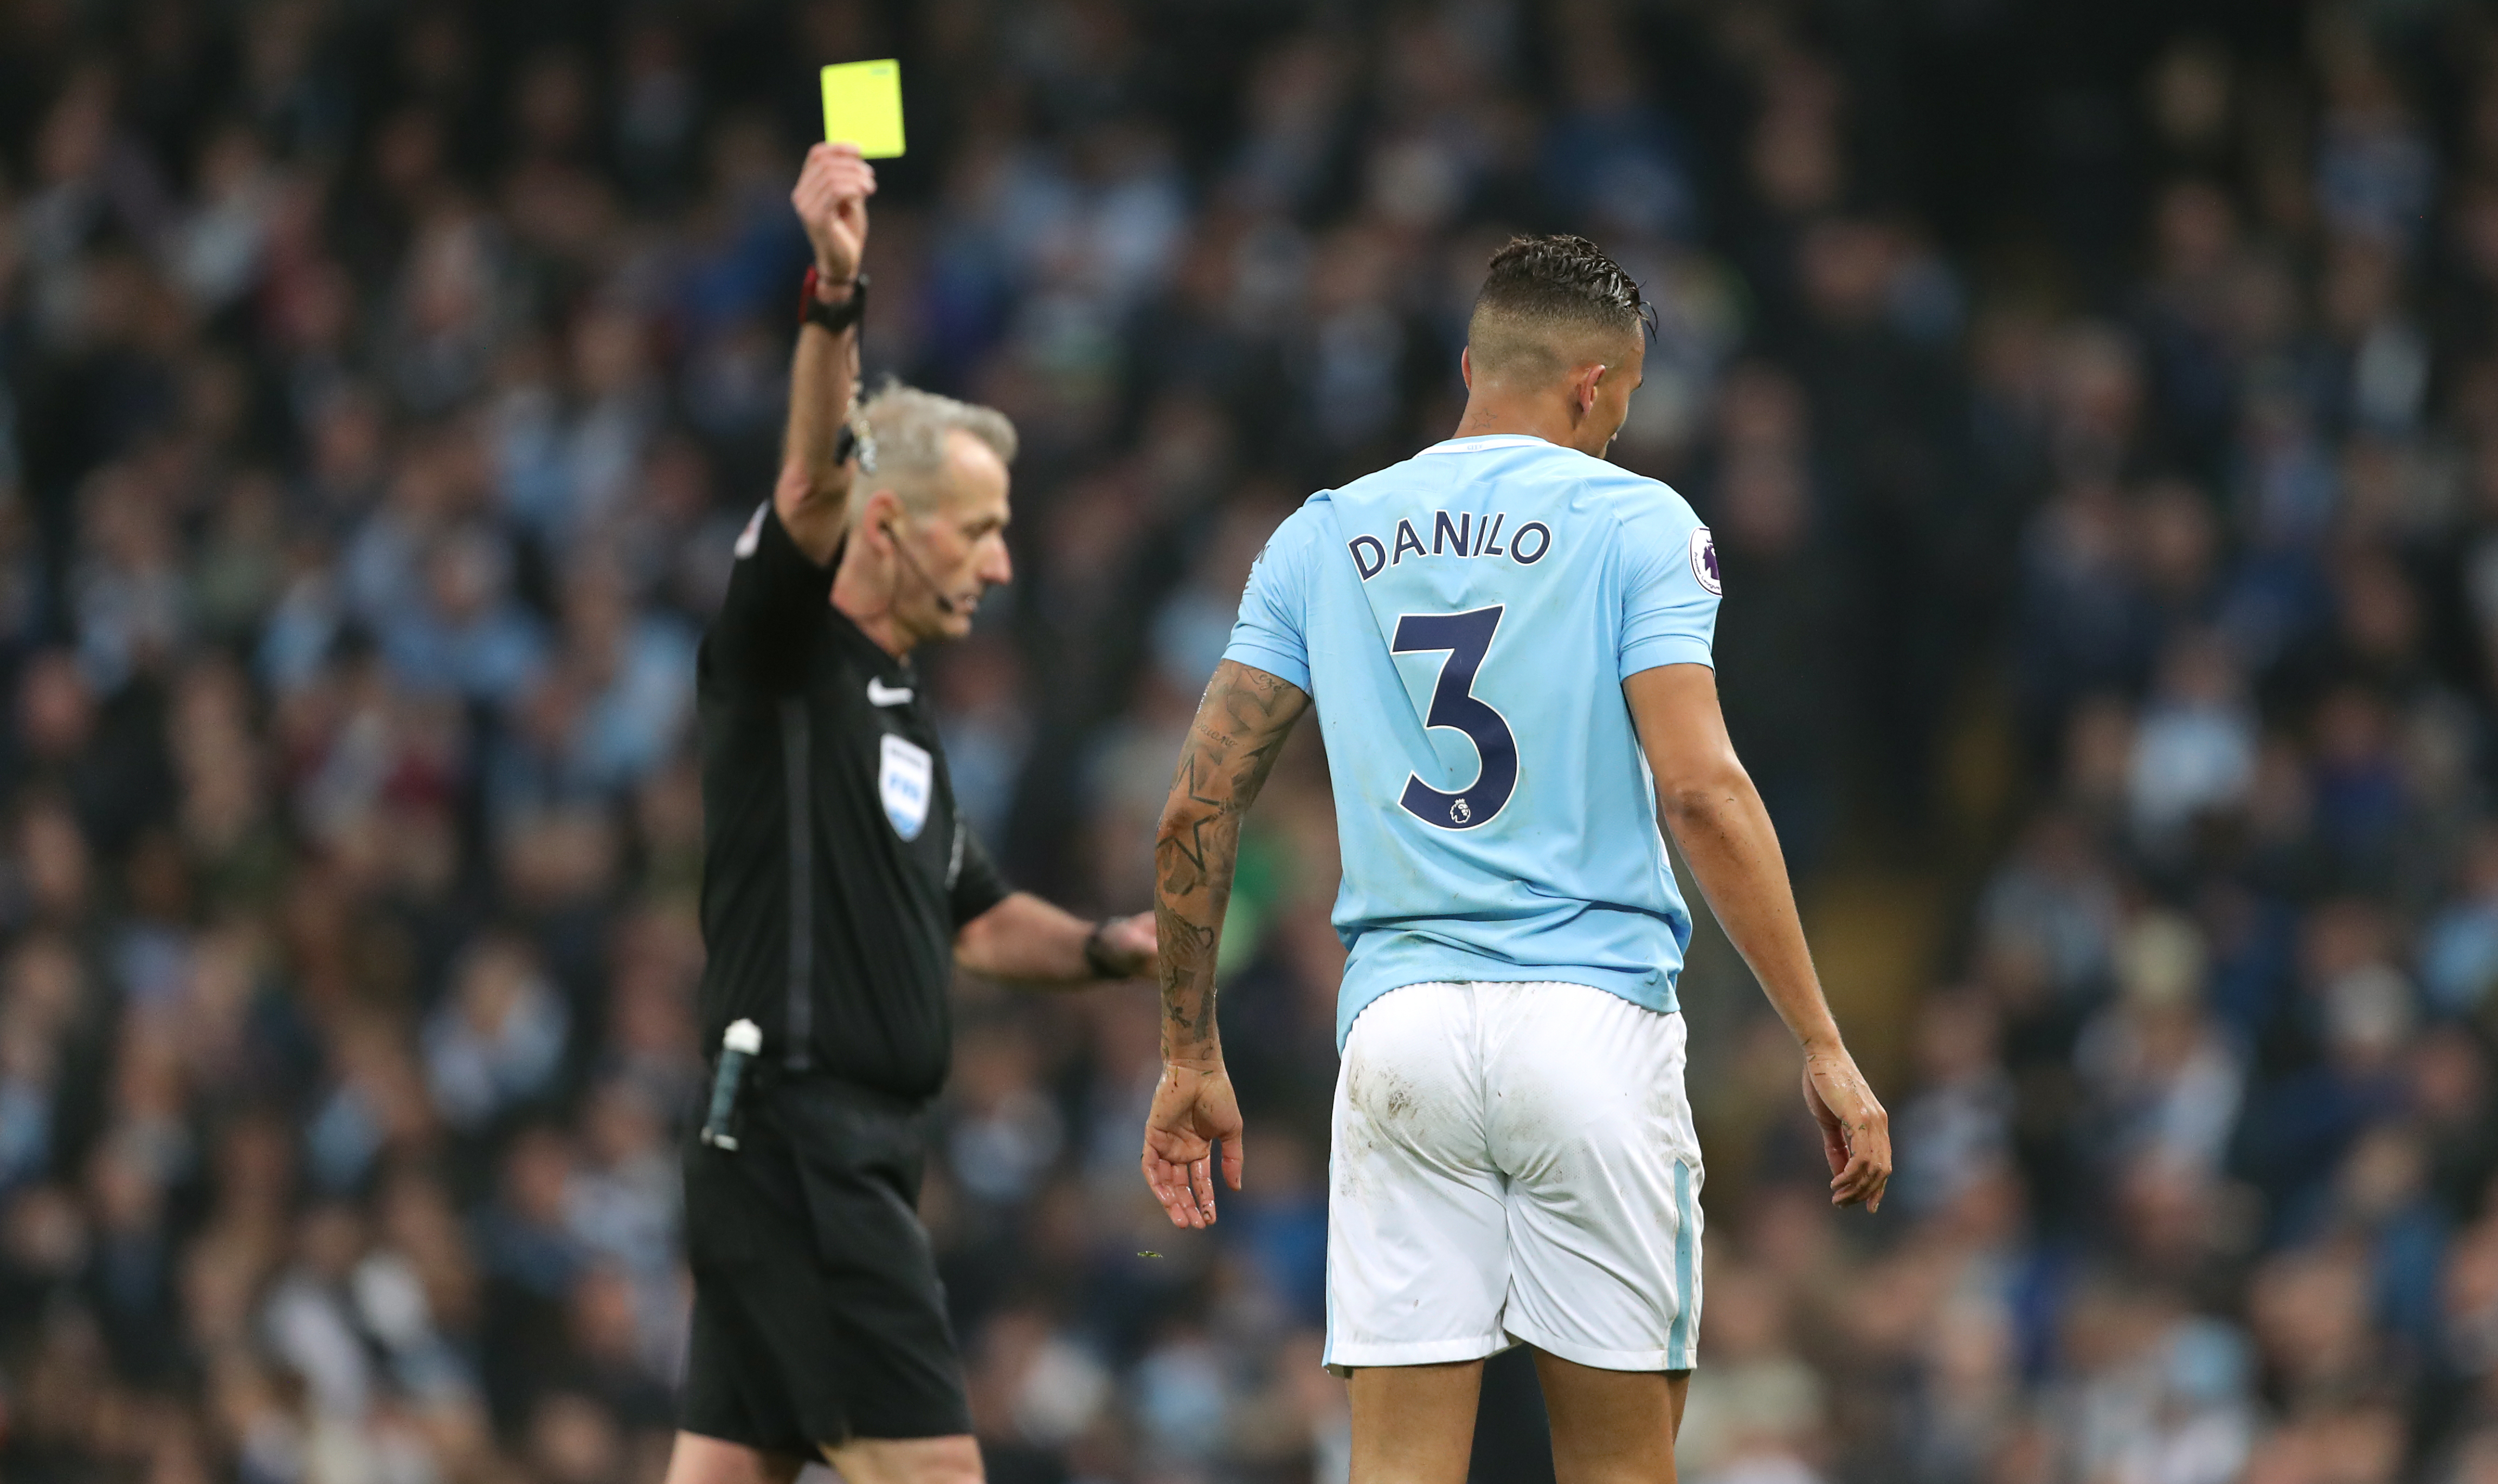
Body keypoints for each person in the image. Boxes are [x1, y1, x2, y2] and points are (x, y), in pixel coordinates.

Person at [1139, 234, 1892, 1484]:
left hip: (1401, 1030)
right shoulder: (1638, 521)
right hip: (1589, 1023)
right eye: (1630, 402)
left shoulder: (1322, 535)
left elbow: (1195, 804)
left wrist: (1187, 1050)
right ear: (1597, 388)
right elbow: (1700, 787)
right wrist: (1820, 1038)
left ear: (1471, 362)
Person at [664, 143, 1157, 1484]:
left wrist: (1122, 947)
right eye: (978, 528)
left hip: (830, 1149)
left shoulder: (900, 716)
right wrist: (836, 291)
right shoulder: (778, 659)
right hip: (800, 1135)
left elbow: (982, 924)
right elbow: (812, 485)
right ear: (887, 527)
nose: (1003, 560)